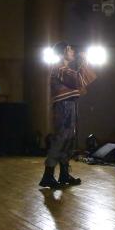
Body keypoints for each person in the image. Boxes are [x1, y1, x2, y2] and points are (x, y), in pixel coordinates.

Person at [39, 41, 97, 188]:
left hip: (70, 105)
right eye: (70, 50)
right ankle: (48, 175)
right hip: (64, 106)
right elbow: (77, 80)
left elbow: (78, 84)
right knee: (61, 138)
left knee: (69, 139)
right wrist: (84, 61)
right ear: (63, 52)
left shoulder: (64, 68)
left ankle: (64, 174)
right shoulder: (59, 68)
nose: (72, 52)